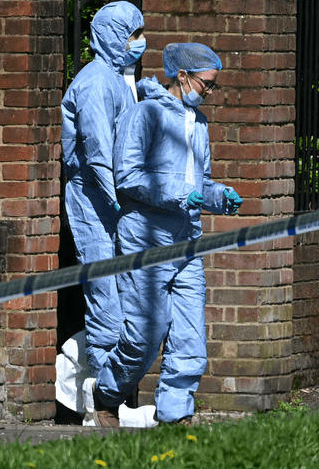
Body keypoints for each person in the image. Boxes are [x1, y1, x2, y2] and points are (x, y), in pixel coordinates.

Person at [91, 42, 244, 427]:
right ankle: (106, 394)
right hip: (146, 237)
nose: (209, 92)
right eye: (206, 84)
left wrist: (219, 196)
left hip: (187, 239)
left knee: (191, 336)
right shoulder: (144, 115)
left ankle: (176, 415)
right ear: (183, 76)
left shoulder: (199, 123)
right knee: (146, 334)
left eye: (212, 86)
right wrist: (180, 194)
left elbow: (199, 181)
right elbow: (126, 177)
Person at [60, 1, 146, 384]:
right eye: (134, 35)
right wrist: (118, 196)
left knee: (125, 298)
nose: (140, 42)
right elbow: (97, 151)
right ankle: (100, 399)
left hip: (112, 201)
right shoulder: (97, 82)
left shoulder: (117, 78)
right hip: (94, 199)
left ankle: (92, 376)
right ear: (113, 37)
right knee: (106, 301)